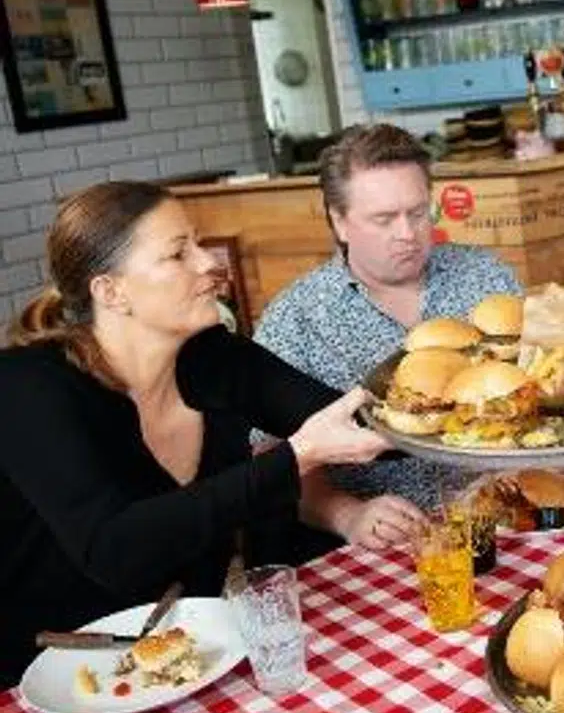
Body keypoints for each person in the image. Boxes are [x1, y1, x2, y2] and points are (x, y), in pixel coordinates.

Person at [0, 182, 390, 686]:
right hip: (44, 683)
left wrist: (488, 394)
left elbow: (358, 425)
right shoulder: (27, 388)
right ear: (111, 291)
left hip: (188, 661)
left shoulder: (212, 357)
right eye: (178, 253)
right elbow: (115, 549)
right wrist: (297, 457)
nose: (209, 263)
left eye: (198, 244)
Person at [254, 124, 522, 551]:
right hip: (380, 546)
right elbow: (268, 458)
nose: (407, 234)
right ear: (338, 221)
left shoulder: (487, 276)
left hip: (508, 516)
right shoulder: (295, 319)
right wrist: (345, 514)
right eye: (384, 219)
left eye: (418, 213)